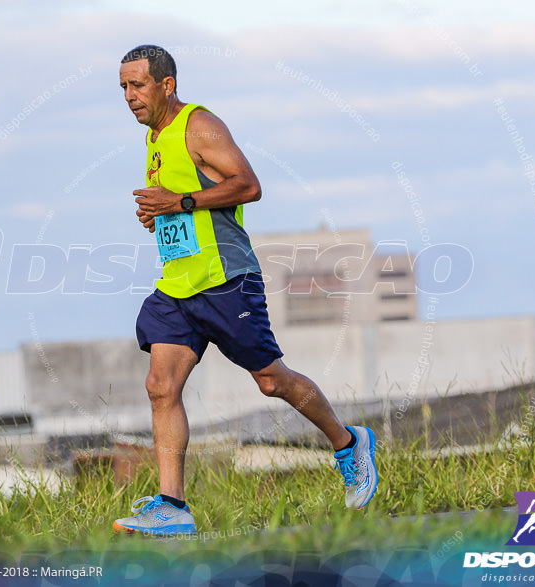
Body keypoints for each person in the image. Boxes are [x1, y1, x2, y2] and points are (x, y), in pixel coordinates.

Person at [113, 45, 378, 536]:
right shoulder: (155, 138)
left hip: (226, 281)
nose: (129, 96)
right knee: (160, 386)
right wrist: (161, 214)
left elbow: (248, 186)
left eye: (138, 85)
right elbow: (185, 208)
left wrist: (181, 200)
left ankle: (349, 443)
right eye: (123, 88)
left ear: (166, 85)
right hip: (177, 286)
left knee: (272, 381)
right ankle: (173, 506)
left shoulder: (200, 125)